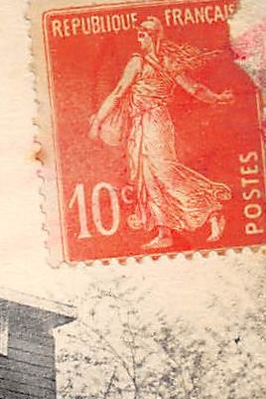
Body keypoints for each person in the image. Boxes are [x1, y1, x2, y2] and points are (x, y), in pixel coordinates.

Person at [89, 17, 234, 250]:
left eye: (145, 32)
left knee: (165, 172)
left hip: (156, 121)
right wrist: (99, 119)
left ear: (157, 35)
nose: (141, 36)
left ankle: (211, 210)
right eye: (139, 33)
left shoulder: (166, 63)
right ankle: (163, 231)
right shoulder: (137, 62)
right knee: (146, 176)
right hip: (139, 124)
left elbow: (194, 88)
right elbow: (118, 93)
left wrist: (217, 98)